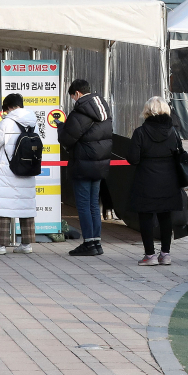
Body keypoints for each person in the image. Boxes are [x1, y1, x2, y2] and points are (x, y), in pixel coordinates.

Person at [128, 96, 187, 266]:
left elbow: (133, 158)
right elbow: (179, 153)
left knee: (145, 217)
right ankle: (165, 254)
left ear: (147, 111)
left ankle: (149, 255)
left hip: (146, 179)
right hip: (169, 180)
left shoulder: (140, 132)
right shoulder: (173, 132)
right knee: (165, 216)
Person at [58, 79, 114, 257]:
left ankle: (88, 243)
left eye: (73, 97)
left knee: (83, 205)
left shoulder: (79, 112)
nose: (74, 100)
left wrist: (60, 127)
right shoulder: (104, 109)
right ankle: (96, 242)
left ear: (77, 94)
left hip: (82, 164)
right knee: (93, 205)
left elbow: (67, 139)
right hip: (99, 165)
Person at [0, 94, 39, 255]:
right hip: (27, 168)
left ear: (8, 107)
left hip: (8, 169)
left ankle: (0, 245)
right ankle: (27, 244)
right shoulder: (33, 121)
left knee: (5, 206)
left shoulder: (7, 122)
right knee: (25, 205)